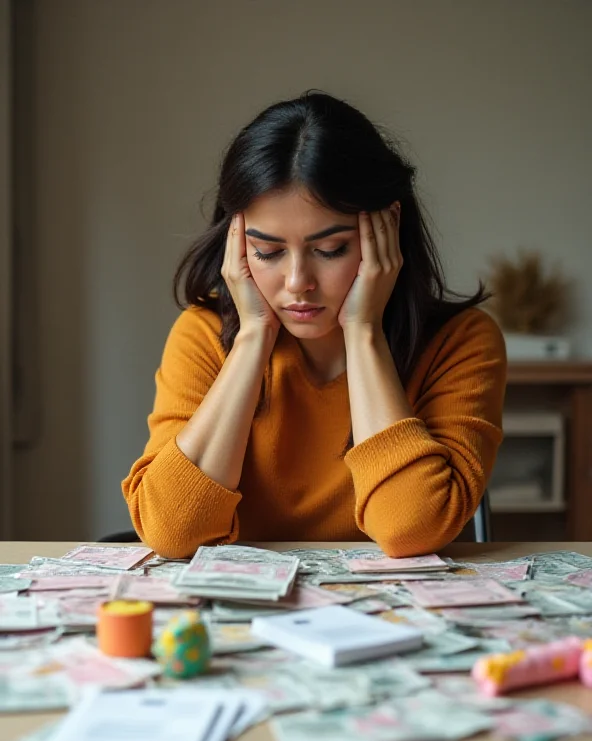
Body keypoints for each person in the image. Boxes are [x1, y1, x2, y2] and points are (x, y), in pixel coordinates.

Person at [122, 90, 506, 560]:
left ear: (387, 229)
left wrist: (364, 332)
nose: (298, 282)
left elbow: (410, 529)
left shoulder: (461, 342)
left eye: (330, 250)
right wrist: (251, 339)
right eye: (267, 252)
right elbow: (171, 532)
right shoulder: (202, 335)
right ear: (237, 245)